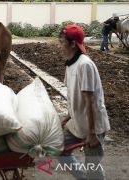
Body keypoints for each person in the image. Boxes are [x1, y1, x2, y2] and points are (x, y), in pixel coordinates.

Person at [58, 25, 110, 180]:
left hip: (92, 127)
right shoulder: (70, 63)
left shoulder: (84, 65)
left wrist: (92, 134)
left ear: (73, 44)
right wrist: (68, 116)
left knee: (92, 167)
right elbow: (73, 95)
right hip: (77, 122)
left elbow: (91, 101)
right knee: (59, 149)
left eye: (61, 42)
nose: (59, 46)